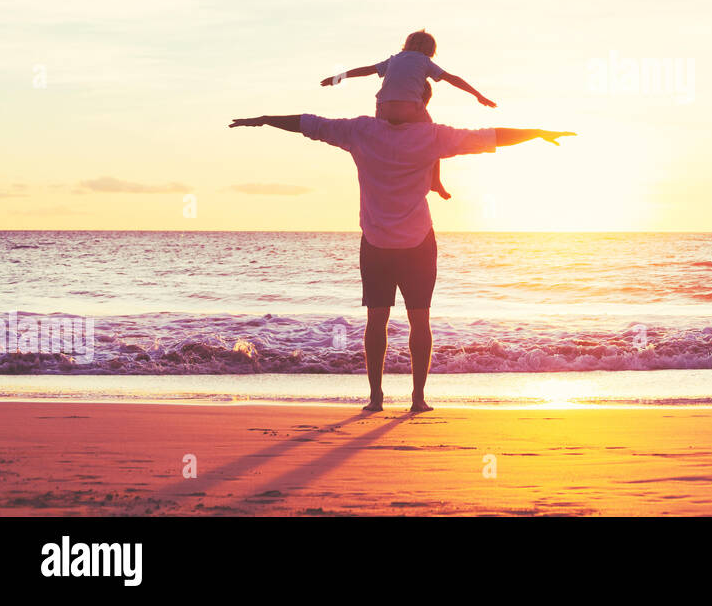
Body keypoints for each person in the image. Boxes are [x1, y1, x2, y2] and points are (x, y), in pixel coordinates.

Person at [229, 112, 573, 413]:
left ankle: (381, 397)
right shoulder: (429, 135)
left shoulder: (361, 131)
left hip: (381, 242)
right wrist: (537, 133)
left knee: (383, 321)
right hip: (416, 243)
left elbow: (310, 124)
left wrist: (264, 120)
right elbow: (487, 136)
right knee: (412, 321)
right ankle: (413, 398)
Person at [319, 29, 496, 199]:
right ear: (431, 50)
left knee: (382, 138)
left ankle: (382, 171)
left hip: (383, 109)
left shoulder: (394, 59)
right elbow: (452, 79)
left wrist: (338, 77)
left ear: (406, 44)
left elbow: (366, 70)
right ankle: (436, 181)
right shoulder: (425, 61)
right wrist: (478, 95)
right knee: (435, 137)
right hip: (409, 108)